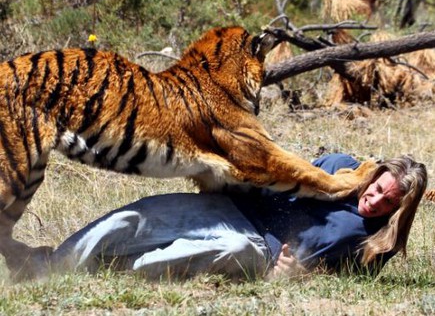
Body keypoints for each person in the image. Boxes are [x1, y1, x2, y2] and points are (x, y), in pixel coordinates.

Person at [49, 153, 427, 280]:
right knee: (140, 217)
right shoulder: (340, 167)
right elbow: (284, 177)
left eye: (388, 202)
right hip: (235, 208)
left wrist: (293, 274)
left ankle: (109, 270)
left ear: (398, 210)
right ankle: (50, 267)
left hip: (258, 249)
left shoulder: (376, 240)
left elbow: (342, 277)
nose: (375, 201)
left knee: (224, 248)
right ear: (374, 175)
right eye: (377, 189)